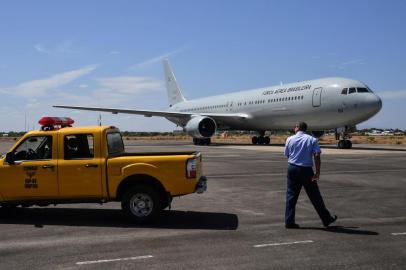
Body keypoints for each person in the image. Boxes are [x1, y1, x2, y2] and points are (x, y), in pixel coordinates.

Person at [284, 122, 337, 228]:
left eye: (295, 127)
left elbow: (287, 154)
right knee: (315, 196)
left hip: (292, 168)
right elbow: (317, 155)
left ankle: (289, 221)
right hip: (306, 170)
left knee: (291, 196)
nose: (294, 128)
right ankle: (326, 219)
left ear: (297, 128)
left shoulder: (289, 139)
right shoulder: (312, 139)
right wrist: (317, 172)